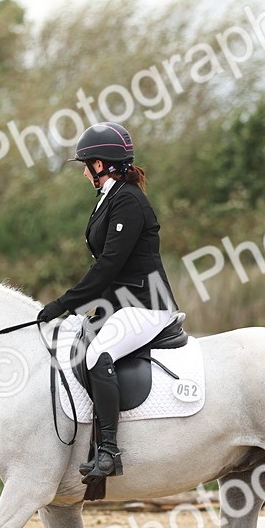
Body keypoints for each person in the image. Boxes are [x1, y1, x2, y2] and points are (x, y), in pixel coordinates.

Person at [37, 122, 180, 483]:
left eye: (87, 164)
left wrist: (64, 304)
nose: (84, 171)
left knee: (97, 356)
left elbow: (108, 266)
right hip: (123, 303)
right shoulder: (110, 199)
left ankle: (110, 450)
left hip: (148, 304)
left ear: (101, 165)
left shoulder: (129, 201)